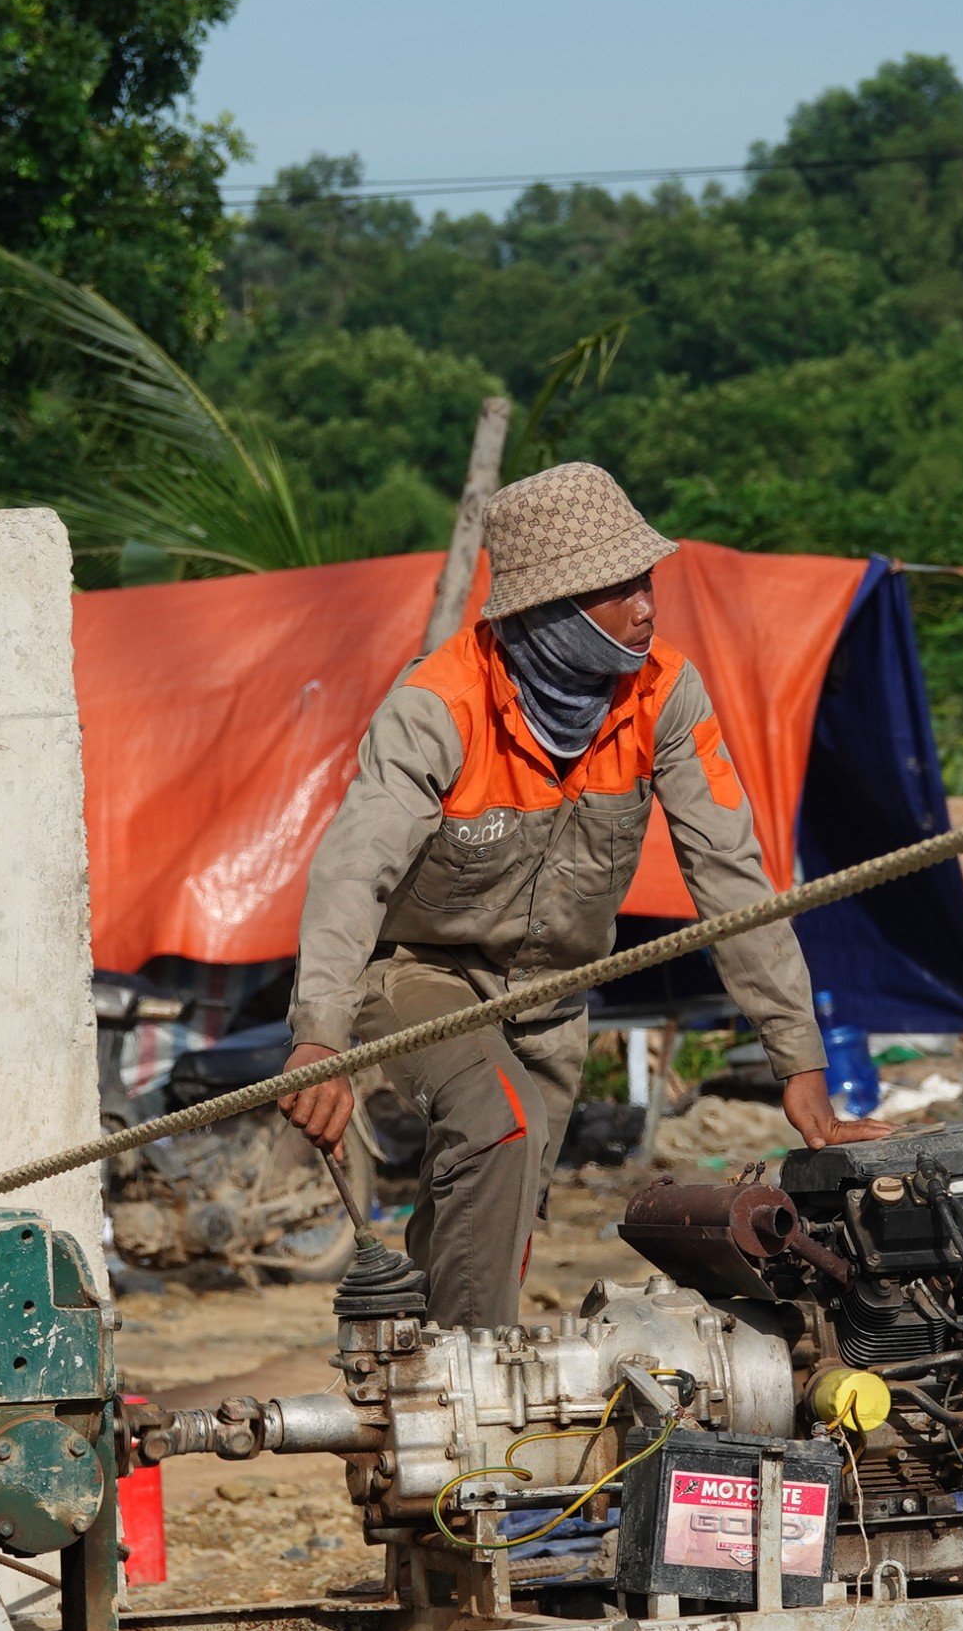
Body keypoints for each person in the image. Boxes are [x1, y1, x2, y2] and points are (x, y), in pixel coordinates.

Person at [276, 462, 887, 1330]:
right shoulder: (438, 706)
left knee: (502, 1216)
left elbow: (731, 876)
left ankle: (417, 1391)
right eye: (619, 588)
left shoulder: (665, 693)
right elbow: (352, 873)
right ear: (552, 607)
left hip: (554, 1001)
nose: (648, 606)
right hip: (421, 975)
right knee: (499, 1128)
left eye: (648, 580)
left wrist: (799, 1062)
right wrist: (318, 1040)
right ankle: (475, 1395)